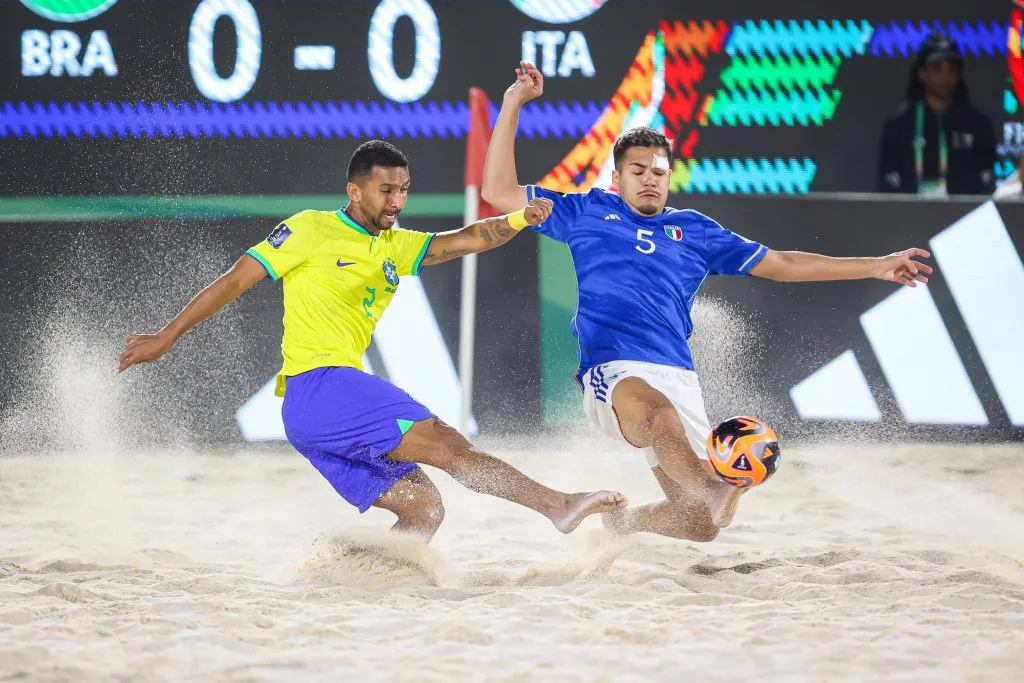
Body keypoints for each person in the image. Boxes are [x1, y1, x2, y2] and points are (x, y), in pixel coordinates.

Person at [483, 62, 933, 542]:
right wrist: (512, 103)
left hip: (677, 377)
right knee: (665, 428)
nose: (650, 178)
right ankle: (708, 486)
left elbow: (782, 263)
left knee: (699, 524)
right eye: (637, 170)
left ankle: (621, 524)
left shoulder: (694, 230)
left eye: (659, 170)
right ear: (617, 178)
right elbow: (498, 192)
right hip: (612, 372)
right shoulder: (586, 211)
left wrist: (875, 265)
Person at [117, 140, 626, 542]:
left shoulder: (395, 244)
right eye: (386, 190)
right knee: (449, 445)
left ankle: (344, 571)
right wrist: (167, 336)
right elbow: (233, 280)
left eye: (403, 189)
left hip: (320, 412)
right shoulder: (310, 230)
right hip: (318, 388)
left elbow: (467, 239)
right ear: (355, 191)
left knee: (423, 510)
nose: (397, 200)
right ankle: (558, 506)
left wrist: (518, 218)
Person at [877, 32, 996, 196]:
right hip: (907, 217)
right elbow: (886, 184)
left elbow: (987, 182)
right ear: (922, 72)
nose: (945, 76)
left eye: (952, 69)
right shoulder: (899, 126)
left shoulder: (979, 126)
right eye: (937, 68)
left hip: (965, 218)